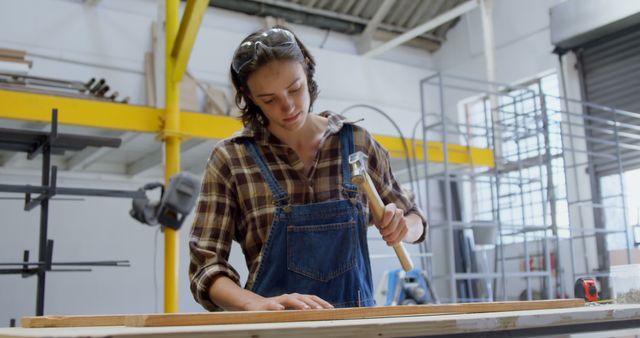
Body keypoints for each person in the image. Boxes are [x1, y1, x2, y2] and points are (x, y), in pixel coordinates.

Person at [189, 26, 427, 311]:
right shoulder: (230, 159)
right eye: (269, 99)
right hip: (274, 330)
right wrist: (257, 305)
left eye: (295, 88)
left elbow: (417, 221)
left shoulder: (357, 143)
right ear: (249, 96)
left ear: (308, 68)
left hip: (355, 328)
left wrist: (404, 227)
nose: (287, 106)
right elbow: (205, 266)